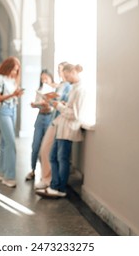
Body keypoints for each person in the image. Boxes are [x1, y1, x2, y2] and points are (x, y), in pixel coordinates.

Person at [36, 63, 86, 198]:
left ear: (73, 72)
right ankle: (54, 185)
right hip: (61, 127)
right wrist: (63, 105)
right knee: (53, 157)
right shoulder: (74, 88)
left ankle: (60, 188)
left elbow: (75, 114)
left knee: (62, 159)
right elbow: (70, 107)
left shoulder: (80, 89)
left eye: (66, 74)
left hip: (68, 129)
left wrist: (59, 106)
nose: (64, 77)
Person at [34, 62, 71, 189]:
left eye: (61, 70)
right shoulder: (60, 85)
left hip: (59, 120)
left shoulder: (67, 86)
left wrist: (54, 101)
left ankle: (48, 180)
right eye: (59, 70)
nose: (60, 72)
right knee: (47, 151)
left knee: (49, 151)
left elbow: (63, 102)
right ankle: (47, 179)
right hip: (55, 120)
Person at [0, 56, 24, 187]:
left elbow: (13, 96)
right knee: (11, 142)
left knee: (5, 142)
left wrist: (17, 95)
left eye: (17, 70)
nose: (14, 72)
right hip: (3, 111)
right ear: (8, 67)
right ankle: (9, 177)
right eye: (13, 69)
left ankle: (2, 172)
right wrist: (12, 95)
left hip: (13, 110)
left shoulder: (13, 80)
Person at [25, 70, 57, 181]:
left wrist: (49, 105)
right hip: (40, 118)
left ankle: (45, 175)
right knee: (35, 146)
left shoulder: (55, 90)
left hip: (50, 117)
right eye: (42, 79)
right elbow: (37, 103)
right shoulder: (40, 91)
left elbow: (55, 106)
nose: (44, 81)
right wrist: (36, 105)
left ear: (50, 78)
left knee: (46, 147)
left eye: (46, 78)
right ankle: (32, 170)